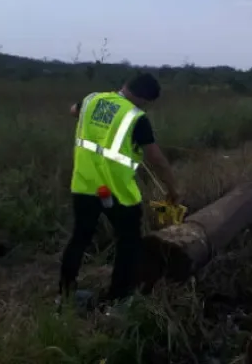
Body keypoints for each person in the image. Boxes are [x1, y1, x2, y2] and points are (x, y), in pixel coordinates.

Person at [57, 72, 181, 307]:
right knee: (128, 242)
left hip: (84, 185)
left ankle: (65, 294)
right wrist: (172, 189)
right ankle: (118, 299)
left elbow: (74, 110)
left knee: (79, 238)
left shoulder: (92, 100)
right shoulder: (136, 117)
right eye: (147, 103)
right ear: (143, 98)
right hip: (118, 191)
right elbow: (157, 159)